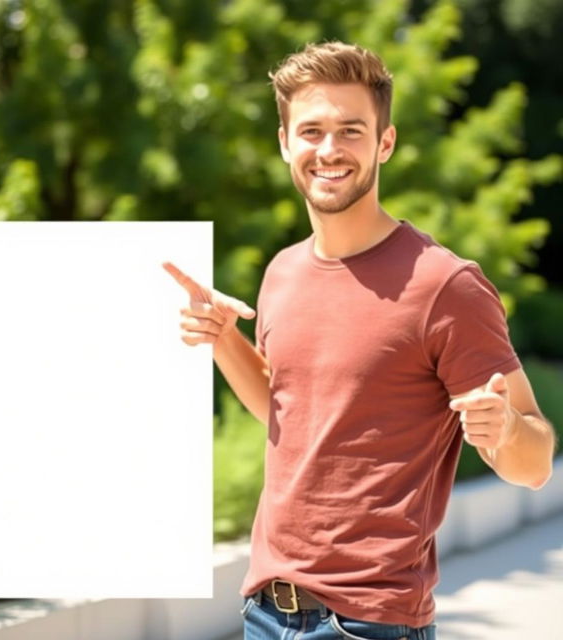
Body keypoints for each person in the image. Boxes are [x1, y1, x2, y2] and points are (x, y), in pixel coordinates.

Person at [163, 41, 556, 640]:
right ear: (284, 143)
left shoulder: (445, 284)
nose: (329, 150)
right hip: (264, 613)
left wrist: (503, 430)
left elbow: (535, 465)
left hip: (367, 624)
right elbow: (287, 412)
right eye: (312, 130)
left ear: (385, 143)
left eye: (351, 130)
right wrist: (224, 341)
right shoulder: (281, 273)